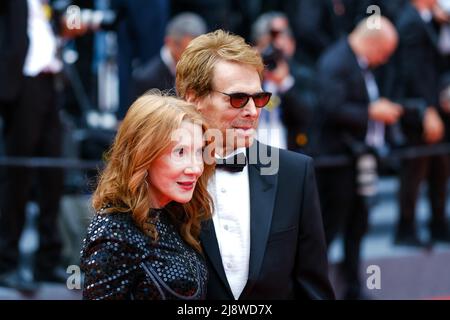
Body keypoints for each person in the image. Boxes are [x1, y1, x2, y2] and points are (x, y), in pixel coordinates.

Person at [176, 29, 335, 300]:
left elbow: (313, 289)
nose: (252, 111)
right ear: (194, 100)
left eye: (260, 98)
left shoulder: (294, 174)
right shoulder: (165, 174)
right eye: (238, 98)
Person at [80, 93, 214, 300]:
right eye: (180, 152)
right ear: (143, 155)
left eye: (198, 152)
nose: (195, 168)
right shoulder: (115, 234)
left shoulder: (176, 215)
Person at [315, 17, 402, 299]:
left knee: (357, 225)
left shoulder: (359, 63)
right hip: (335, 162)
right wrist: (371, 112)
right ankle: (313, 289)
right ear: (373, 43)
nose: (384, 60)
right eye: (385, 53)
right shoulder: (336, 61)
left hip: (359, 160)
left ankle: (353, 288)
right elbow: (331, 108)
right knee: (329, 230)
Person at [0, 0, 65, 290]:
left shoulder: (46, 6)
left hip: (49, 83)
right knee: (18, 177)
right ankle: (7, 263)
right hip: (21, 86)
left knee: (53, 175)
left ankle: (46, 262)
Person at [133, 12, 207, 96]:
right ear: (169, 42)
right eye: (187, 51)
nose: (193, 57)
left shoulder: (203, 69)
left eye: (197, 51)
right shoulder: (147, 79)